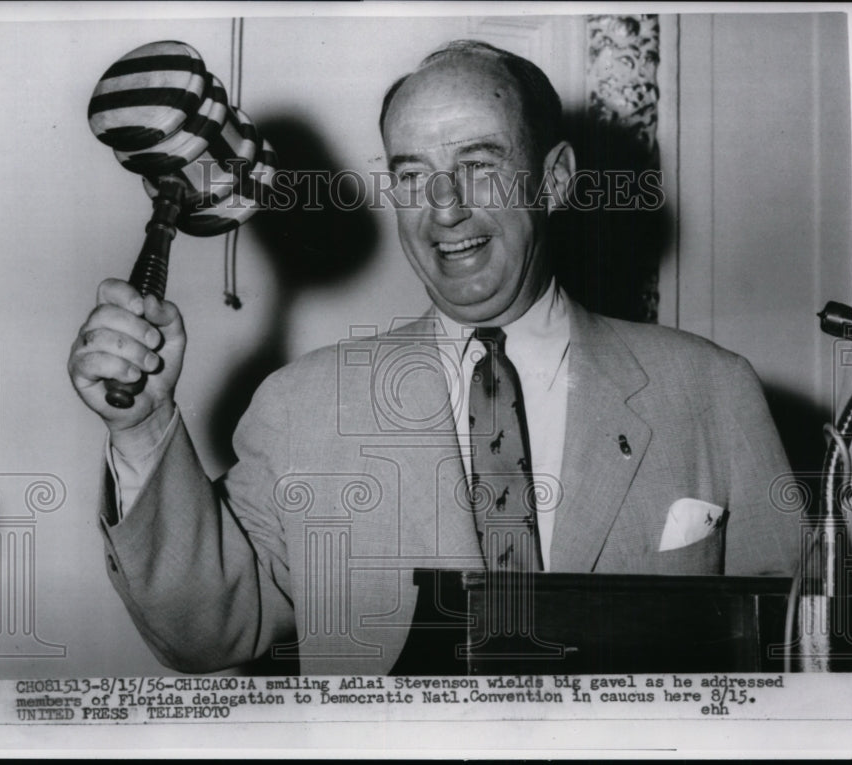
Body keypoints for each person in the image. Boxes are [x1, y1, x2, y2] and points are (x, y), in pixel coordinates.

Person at [67, 40, 800, 674]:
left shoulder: (712, 389)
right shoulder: (302, 408)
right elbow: (207, 630)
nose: (443, 207)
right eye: (413, 175)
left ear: (554, 179)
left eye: (479, 164)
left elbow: (791, 652)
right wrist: (144, 425)